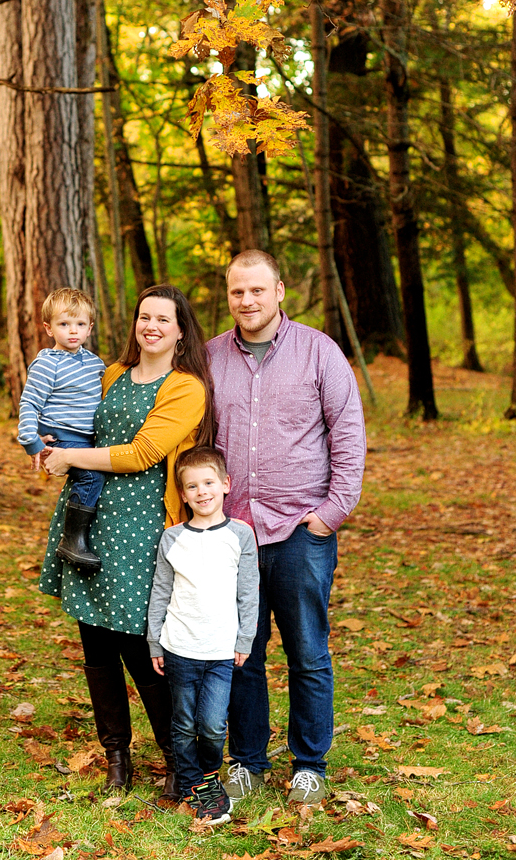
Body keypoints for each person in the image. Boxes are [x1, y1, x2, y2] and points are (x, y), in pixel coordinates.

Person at [39, 285, 214, 800]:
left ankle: (178, 759)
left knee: (142, 647)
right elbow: (78, 425)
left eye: (163, 319)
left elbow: (142, 453)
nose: (151, 326)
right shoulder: (109, 374)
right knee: (94, 640)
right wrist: (51, 444)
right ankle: (117, 756)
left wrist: (73, 459)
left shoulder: (186, 388)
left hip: (142, 529)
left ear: (181, 330)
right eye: (143, 316)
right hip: (89, 517)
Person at [207, 250, 366, 808]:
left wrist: (332, 512)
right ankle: (247, 761)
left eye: (256, 290)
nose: (246, 301)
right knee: (241, 653)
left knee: (307, 651)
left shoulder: (319, 352)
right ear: (228, 296)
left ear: (279, 292)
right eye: (236, 292)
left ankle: (309, 764)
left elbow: (347, 432)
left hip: (302, 530)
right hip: (233, 533)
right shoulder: (210, 359)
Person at [147, 445, 258, 826]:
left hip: (220, 650)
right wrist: (153, 641)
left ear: (226, 485)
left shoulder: (240, 535)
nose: (202, 491)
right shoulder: (172, 538)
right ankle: (193, 783)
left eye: (209, 482)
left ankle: (208, 774)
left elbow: (249, 592)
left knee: (211, 725)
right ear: (183, 494)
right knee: (182, 722)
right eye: (192, 486)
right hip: (179, 647)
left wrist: (245, 640)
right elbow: (161, 591)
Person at [18, 288, 106, 571]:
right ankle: (72, 539)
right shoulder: (47, 363)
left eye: (80, 324)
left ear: (89, 328)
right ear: (48, 328)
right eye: (64, 324)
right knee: (91, 476)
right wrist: (31, 441)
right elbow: (29, 403)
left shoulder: (96, 364)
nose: (73, 331)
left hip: (89, 439)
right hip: (64, 438)